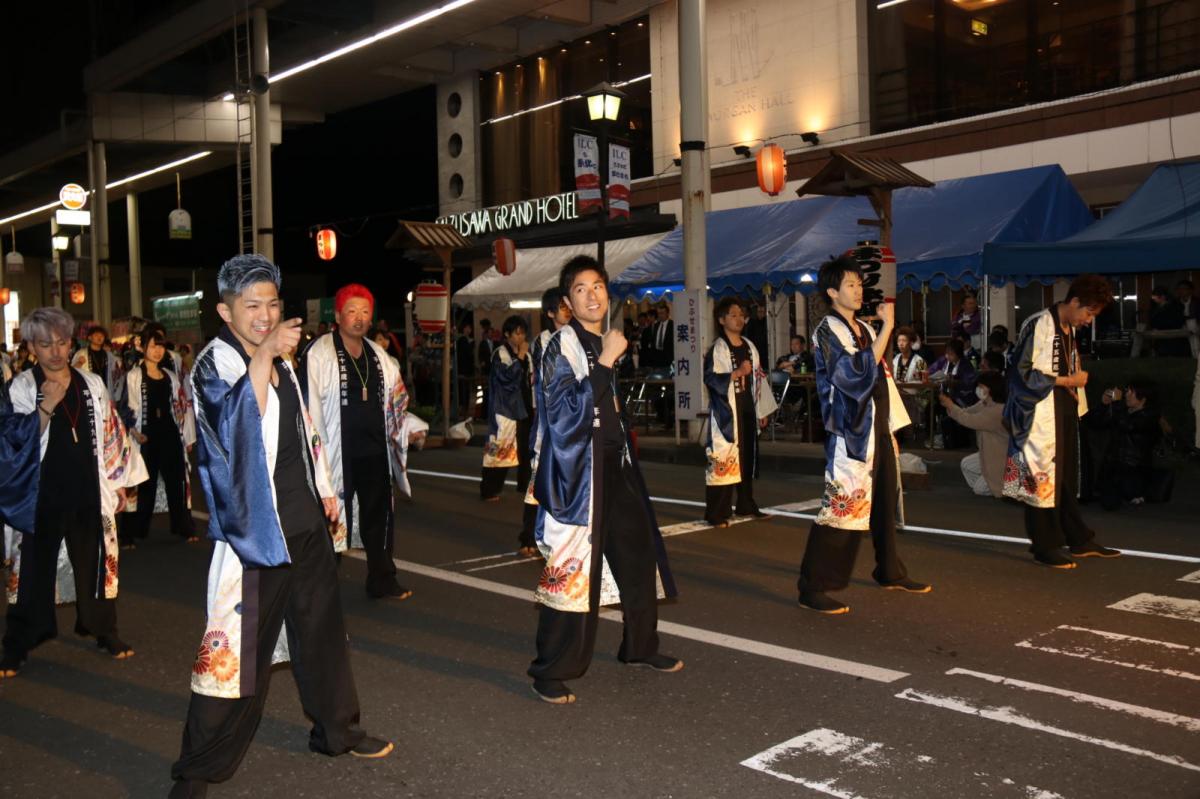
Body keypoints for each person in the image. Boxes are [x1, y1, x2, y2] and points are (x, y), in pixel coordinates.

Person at [170, 255, 391, 798]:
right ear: (225, 311)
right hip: (254, 536)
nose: (265, 315)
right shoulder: (212, 365)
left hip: (304, 521)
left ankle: (337, 730)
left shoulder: (284, 362)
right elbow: (236, 436)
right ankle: (197, 769)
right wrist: (264, 359)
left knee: (321, 632)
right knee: (234, 649)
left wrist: (325, 490)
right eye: (252, 305)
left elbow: (302, 427)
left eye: (272, 303)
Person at [528, 255, 681, 704]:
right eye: (581, 289)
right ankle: (549, 669)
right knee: (573, 568)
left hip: (616, 462)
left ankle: (639, 647)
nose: (592, 295)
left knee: (637, 554)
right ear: (567, 302)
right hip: (577, 473)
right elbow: (562, 416)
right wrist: (606, 363)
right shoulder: (562, 345)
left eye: (598, 286)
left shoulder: (604, 340)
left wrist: (608, 360)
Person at [1, 307, 145, 678]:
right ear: (31, 346)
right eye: (45, 344)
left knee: (94, 563)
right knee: (33, 567)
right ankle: (19, 641)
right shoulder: (23, 386)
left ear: (71, 343)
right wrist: (45, 406)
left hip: (86, 488)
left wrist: (117, 483)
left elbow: (112, 431)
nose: (54, 351)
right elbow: (13, 443)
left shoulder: (91, 383)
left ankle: (102, 629)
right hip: (41, 494)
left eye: (61, 342)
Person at [796, 256, 930, 615]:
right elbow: (853, 375)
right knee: (843, 505)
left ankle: (889, 569)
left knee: (883, 500)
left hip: (876, 427)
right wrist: (887, 329)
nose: (858, 290)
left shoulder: (864, 330)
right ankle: (813, 585)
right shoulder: (828, 330)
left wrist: (891, 425)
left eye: (859, 283)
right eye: (851, 285)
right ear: (832, 291)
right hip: (850, 432)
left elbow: (882, 379)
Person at [302, 283, 426, 601]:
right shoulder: (319, 353)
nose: (359, 318)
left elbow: (397, 400)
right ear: (339, 315)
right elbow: (307, 408)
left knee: (379, 513)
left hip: (375, 451)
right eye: (352, 311)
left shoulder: (379, 354)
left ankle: (382, 578)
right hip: (334, 453)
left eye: (365, 312)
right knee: (331, 517)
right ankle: (321, 584)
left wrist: (409, 427)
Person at [1003, 273, 1121, 568]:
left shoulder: (1067, 326)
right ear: (1075, 302)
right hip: (1038, 412)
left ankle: (1078, 538)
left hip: (1061, 407)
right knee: (1041, 479)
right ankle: (1045, 545)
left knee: (1065, 477)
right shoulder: (1040, 323)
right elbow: (1021, 371)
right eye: (1089, 312)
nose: (1089, 320)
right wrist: (1067, 379)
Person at [703, 298, 777, 527]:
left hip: (747, 409)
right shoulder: (718, 348)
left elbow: (758, 378)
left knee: (746, 458)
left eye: (740, 314)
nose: (738, 319)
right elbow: (711, 379)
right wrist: (735, 374)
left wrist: (762, 410)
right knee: (724, 460)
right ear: (721, 319)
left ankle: (746, 503)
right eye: (732, 314)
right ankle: (716, 512)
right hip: (726, 414)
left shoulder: (749, 346)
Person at [120, 330, 197, 546]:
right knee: (142, 483)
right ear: (142, 347)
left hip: (170, 433)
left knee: (177, 481)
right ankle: (131, 532)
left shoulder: (170, 377)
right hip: (144, 435)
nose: (157, 351)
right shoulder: (133, 376)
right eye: (153, 346)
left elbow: (181, 407)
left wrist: (187, 437)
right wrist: (134, 432)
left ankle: (183, 526)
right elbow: (124, 408)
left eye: (161, 346)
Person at [519, 288, 572, 557]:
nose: (567, 309)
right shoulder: (544, 341)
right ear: (550, 313)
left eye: (568, 304)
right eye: (561, 307)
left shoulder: (577, 336)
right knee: (538, 480)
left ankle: (562, 538)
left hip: (574, 423)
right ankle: (529, 535)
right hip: (549, 424)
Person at [480, 315, 532, 502]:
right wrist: (519, 358)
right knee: (497, 449)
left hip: (521, 408)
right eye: (517, 333)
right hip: (503, 410)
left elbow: (527, 378)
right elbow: (506, 380)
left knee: (519, 450)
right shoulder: (500, 353)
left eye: (522, 333)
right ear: (507, 334)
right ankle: (488, 489)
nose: (520, 337)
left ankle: (518, 485)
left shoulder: (524, 353)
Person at [1094, 381, 1161, 510]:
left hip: (1133, 472)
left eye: (1132, 392)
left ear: (1143, 398)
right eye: (1127, 391)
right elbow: (1095, 423)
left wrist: (1117, 404)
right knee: (1107, 501)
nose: (1127, 395)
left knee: (1111, 502)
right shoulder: (1123, 413)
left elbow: (1128, 426)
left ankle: (1136, 494)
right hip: (1113, 471)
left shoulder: (1149, 417)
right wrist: (1103, 405)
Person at [939, 371, 1007, 498]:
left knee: (979, 489)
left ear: (992, 388)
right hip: (987, 453)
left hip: (1000, 457)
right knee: (966, 464)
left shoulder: (998, 410)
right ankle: (988, 479)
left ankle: (999, 485)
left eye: (982, 386)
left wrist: (951, 405)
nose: (979, 389)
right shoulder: (985, 403)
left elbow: (970, 420)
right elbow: (967, 412)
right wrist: (950, 405)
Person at [71, 324, 124, 399]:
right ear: (90, 337)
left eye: (102, 336)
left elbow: (117, 375)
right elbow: (71, 373)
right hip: (88, 392)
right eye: (96, 335)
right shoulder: (81, 353)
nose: (99, 337)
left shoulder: (109, 356)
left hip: (106, 392)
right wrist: (79, 363)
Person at [1148, 286, 1190, 356]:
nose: (1153, 299)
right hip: (1160, 338)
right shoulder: (1155, 307)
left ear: (1163, 296)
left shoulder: (1175, 306)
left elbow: (1177, 321)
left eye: (1155, 296)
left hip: (1174, 337)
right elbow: (1152, 320)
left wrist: (1160, 326)